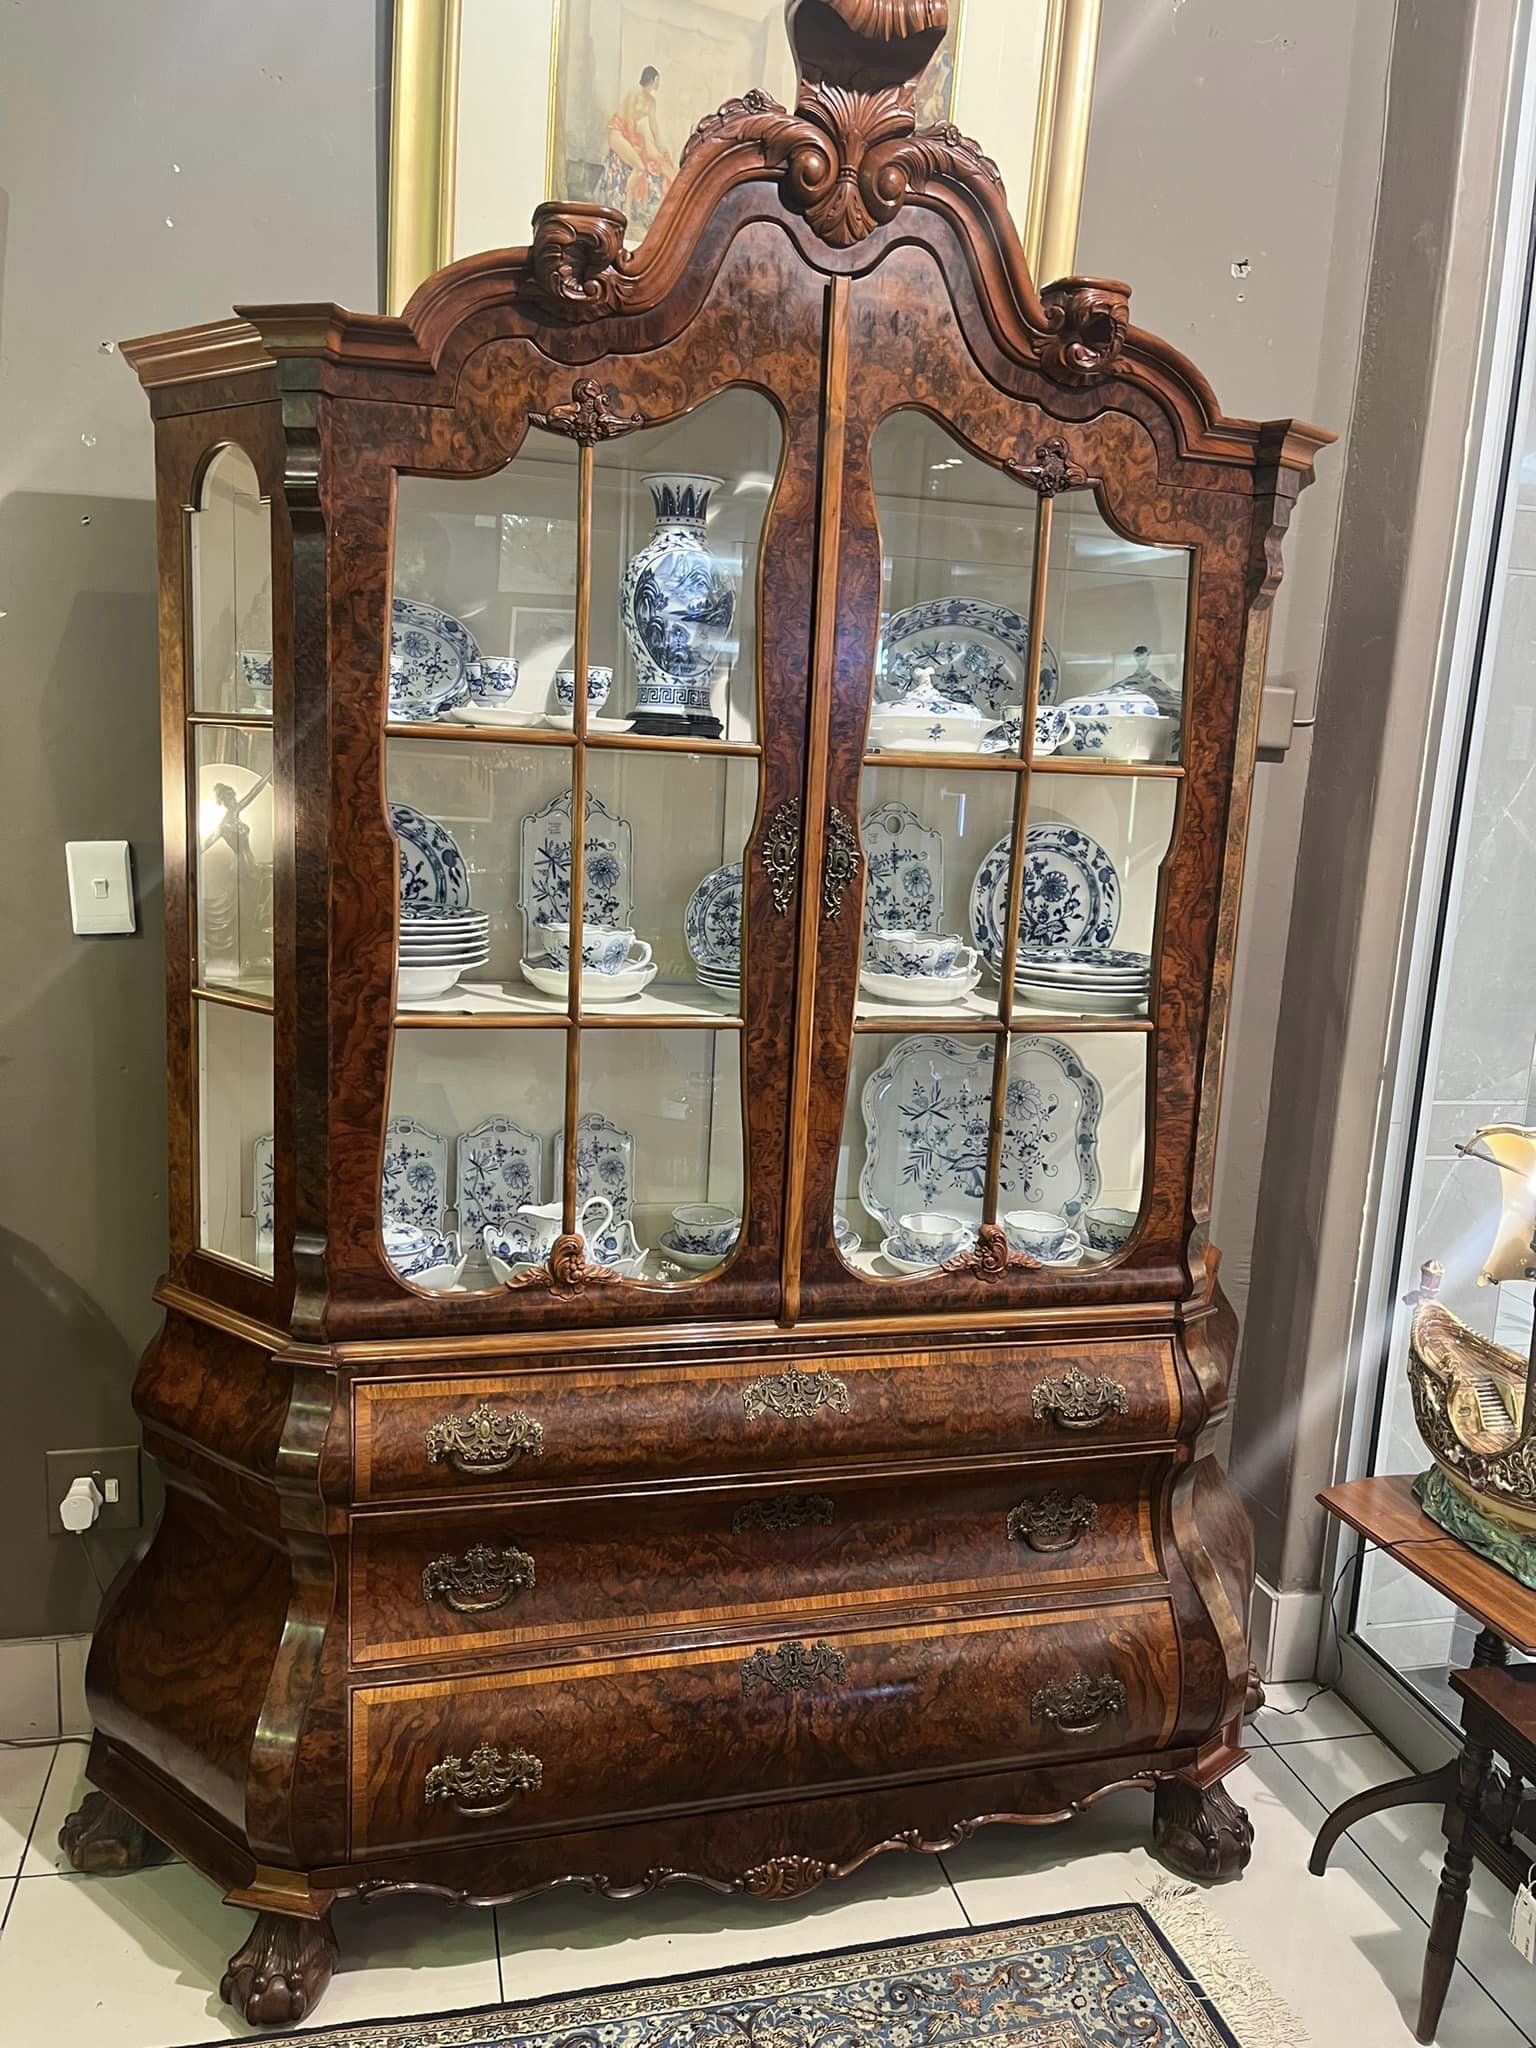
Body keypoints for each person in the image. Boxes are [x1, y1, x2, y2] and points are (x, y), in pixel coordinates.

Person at [594, 64, 677, 228]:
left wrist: (661, 145)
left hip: (632, 135)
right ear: (653, 79)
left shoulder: (651, 101)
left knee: (659, 157)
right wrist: (634, 143)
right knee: (639, 167)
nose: (658, 84)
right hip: (618, 132)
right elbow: (630, 119)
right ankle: (627, 208)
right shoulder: (634, 93)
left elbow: (654, 126)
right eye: (657, 80)